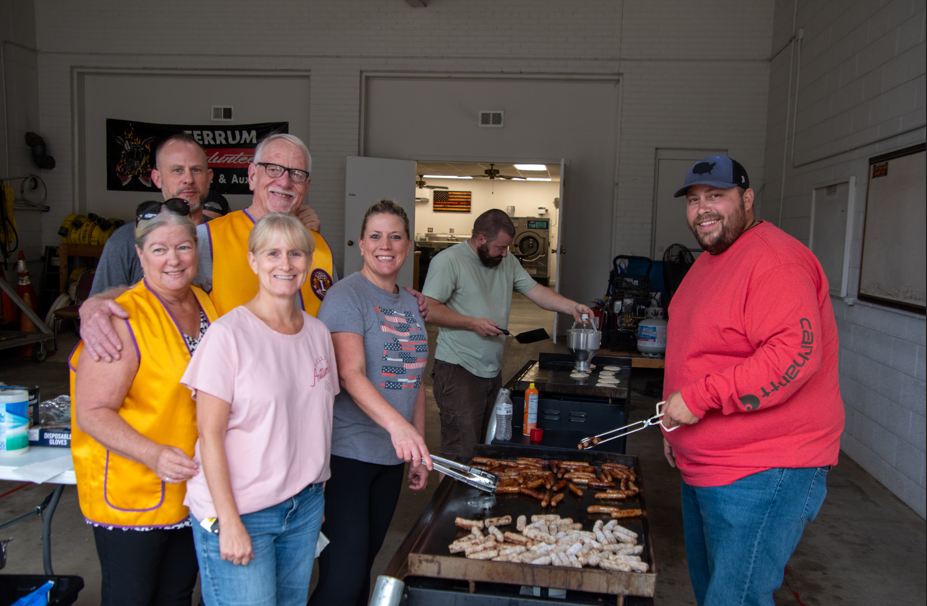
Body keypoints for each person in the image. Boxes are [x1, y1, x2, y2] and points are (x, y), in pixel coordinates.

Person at [660, 155, 844, 606]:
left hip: (762, 468)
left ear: (746, 199)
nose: (703, 209)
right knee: (714, 592)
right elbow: (696, 350)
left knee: (736, 598)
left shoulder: (775, 261)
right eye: (694, 199)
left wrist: (699, 399)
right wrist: (674, 421)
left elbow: (793, 357)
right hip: (707, 460)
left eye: (717, 196)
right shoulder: (709, 262)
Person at [181, 213, 336, 606]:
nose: (285, 264)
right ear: (253, 261)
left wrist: (314, 496)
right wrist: (228, 521)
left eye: (296, 254)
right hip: (243, 511)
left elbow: (313, 424)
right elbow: (209, 435)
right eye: (273, 253)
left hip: (302, 506)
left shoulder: (318, 334)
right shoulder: (228, 336)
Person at [70, 200, 219, 606]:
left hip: (189, 490)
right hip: (136, 491)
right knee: (132, 596)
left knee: (175, 594)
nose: (174, 259)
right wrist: (152, 454)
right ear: (140, 255)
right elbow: (91, 412)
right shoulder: (120, 318)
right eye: (159, 249)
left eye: (184, 247)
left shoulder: (206, 305)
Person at [78, 133, 327, 362]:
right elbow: (156, 291)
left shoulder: (321, 248)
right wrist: (96, 302)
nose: (284, 181)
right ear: (251, 176)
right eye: (273, 169)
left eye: (296, 174)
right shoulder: (206, 238)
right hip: (232, 393)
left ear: (306, 184)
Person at [309, 200, 431, 606]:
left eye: (395, 236)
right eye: (375, 236)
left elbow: (413, 379)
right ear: (361, 244)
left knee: (362, 571)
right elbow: (350, 374)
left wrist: (417, 444)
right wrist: (400, 428)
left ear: (408, 245)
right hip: (346, 455)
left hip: (390, 459)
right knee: (341, 579)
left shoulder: (412, 302)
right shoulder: (347, 296)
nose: (385, 245)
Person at [422, 208, 594, 462]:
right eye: (500, 248)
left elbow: (536, 291)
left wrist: (572, 307)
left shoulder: (507, 261)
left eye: (507, 248)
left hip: (492, 371)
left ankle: (477, 501)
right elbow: (430, 310)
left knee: (488, 449)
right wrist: (472, 324)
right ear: (480, 239)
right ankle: (452, 501)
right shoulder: (449, 261)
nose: (505, 253)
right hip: (459, 370)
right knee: (460, 452)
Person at [89, 133, 215, 297]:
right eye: (177, 170)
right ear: (157, 178)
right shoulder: (125, 240)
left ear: (209, 177)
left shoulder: (223, 235)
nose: (188, 179)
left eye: (196, 170)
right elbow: (98, 311)